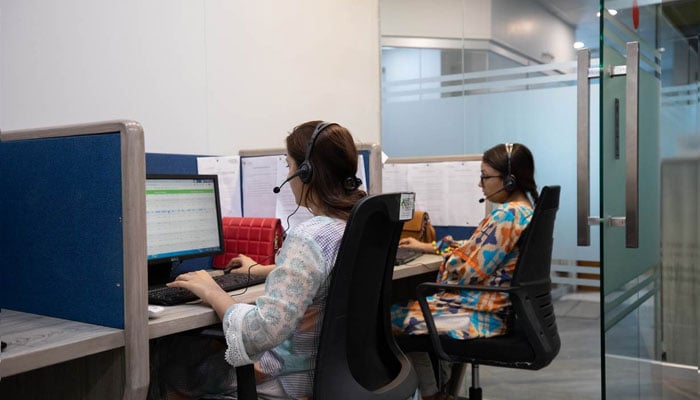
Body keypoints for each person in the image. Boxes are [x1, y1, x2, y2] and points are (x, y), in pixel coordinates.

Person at [149, 121, 367, 400]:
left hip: (288, 382)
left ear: (306, 172)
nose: (289, 176)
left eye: (289, 166)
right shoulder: (352, 224)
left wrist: (212, 290)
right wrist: (267, 270)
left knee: (168, 358)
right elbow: (328, 276)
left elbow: (260, 332)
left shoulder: (308, 237)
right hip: (337, 374)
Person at [391, 143, 538, 400]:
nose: (480, 184)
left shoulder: (506, 216)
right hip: (495, 310)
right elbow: (477, 250)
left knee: (391, 318)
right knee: (406, 311)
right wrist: (429, 246)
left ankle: (432, 394)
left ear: (509, 180)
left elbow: (462, 272)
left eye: (485, 176)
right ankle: (435, 393)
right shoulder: (524, 210)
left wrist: (449, 260)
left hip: (478, 316)